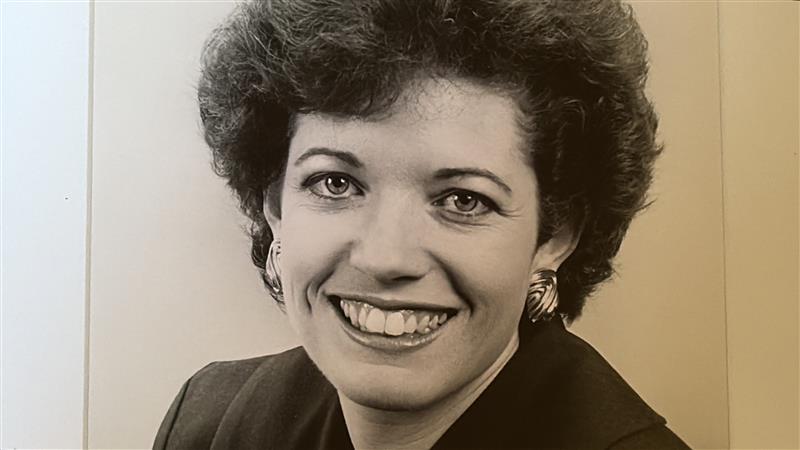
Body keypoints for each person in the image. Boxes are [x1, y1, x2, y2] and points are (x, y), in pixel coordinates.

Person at [154, 0, 690, 448]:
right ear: (274, 205)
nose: (386, 257)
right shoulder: (209, 425)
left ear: (555, 236)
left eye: (462, 200)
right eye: (335, 183)